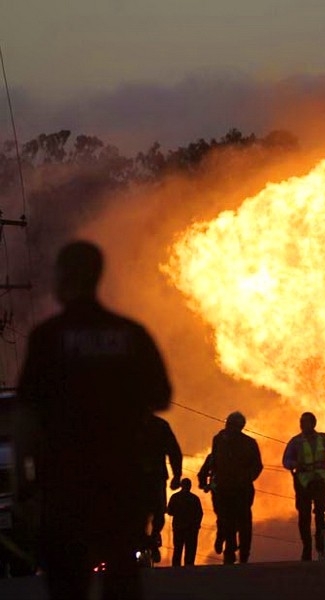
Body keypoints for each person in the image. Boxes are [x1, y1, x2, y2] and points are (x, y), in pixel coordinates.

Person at [16, 240, 172, 599]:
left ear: (64, 277)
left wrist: (23, 485)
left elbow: (26, 418)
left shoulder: (48, 338)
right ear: (97, 276)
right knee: (121, 577)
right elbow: (161, 397)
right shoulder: (130, 334)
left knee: (67, 582)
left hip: (64, 483)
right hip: (122, 480)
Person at [282, 412, 325, 561]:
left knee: (320, 513)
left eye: (305, 422)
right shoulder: (295, 442)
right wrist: (294, 464)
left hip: (320, 482)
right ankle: (306, 548)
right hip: (303, 484)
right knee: (304, 517)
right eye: (301, 422)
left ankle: (319, 539)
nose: (302, 425)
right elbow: (286, 460)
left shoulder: (322, 439)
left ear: (313, 424)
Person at [209, 411, 262, 565]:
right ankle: (229, 552)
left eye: (232, 424)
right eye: (228, 423)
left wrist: (246, 478)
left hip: (242, 490)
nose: (229, 427)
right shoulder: (218, 440)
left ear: (240, 427)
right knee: (227, 520)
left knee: (244, 522)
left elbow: (257, 466)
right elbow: (214, 460)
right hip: (223, 488)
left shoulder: (249, 443)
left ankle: (244, 554)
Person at [139, 413, 182, 563]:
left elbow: (174, 451)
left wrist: (177, 475)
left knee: (159, 512)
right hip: (134, 479)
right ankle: (145, 540)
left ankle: (154, 537)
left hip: (156, 477)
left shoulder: (160, 426)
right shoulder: (125, 425)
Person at [166, 478, 203, 567]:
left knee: (178, 550)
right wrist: (196, 525)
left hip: (180, 528)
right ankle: (188, 571)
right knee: (190, 551)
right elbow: (200, 514)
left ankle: (176, 571)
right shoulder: (194, 498)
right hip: (190, 529)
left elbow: (170, 511)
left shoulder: (175, 497)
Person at [197, 452, 224, 554]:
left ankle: (223, 538)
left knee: (224, 516)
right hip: (219, 491)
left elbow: (202, 473)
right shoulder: (214, 456)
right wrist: (204, 485)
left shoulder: (214, 455)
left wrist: (204, 485)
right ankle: (221, 537)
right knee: (223, 516)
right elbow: (203, 473)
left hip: (224, 490)